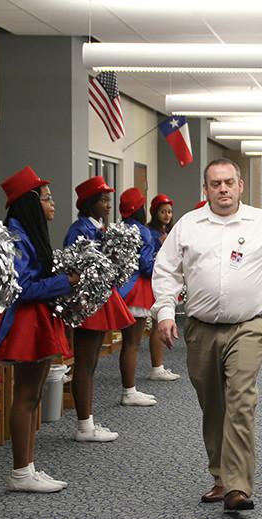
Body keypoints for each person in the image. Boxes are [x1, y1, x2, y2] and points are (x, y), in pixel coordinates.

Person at [152, 158, 262, 512]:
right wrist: (163, 311)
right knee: (213, 404)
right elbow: (166, 271)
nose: (223, 189)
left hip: (249, 324)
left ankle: (238, 487)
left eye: (229, 183)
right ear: (205, 189)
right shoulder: (188, 225)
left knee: (240, 401)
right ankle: (221, 477)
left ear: (240, 186)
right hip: (201, 327)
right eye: (215, 184)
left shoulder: (260, 223)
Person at [0, 166, 75, 493]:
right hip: (28, 322)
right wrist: (64, 282)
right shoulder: (17, 234)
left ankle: (27, 466)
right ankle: (19, 471)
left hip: (38, 319)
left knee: (33, 396)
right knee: (26, 396)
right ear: (30, 202)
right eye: (47, 198)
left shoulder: (27, 231)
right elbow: (24, 288)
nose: (52, 203)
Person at [64, 176, 136, 442]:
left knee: (91, 363)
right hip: (87, 301)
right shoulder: (79, 229)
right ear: (88, 203)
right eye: (103, 200)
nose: (108, 205)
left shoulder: (98, 228)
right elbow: (76, 264)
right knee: (84, 363)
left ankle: (89, 422)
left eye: (109, 200)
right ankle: (84, 426)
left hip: (98, 298)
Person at [117, 187, 161, 406]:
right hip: (137, 290)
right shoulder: (142, 230)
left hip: (123, 289)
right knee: (132, 344)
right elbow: (146, 266)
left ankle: (129, 389)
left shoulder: (119, 228)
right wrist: (162, 264)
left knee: (128, 343)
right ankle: (129, 391)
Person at [146, 194, 180, 381]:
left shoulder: (171, 231)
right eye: (162, 211)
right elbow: (151, 260)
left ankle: (159, 365)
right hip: (153, 282)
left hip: (166, 281)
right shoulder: (150, 233)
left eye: (169, 212)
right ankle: (156, 367)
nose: (167, 215)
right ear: (155, 213)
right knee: (157, 323)